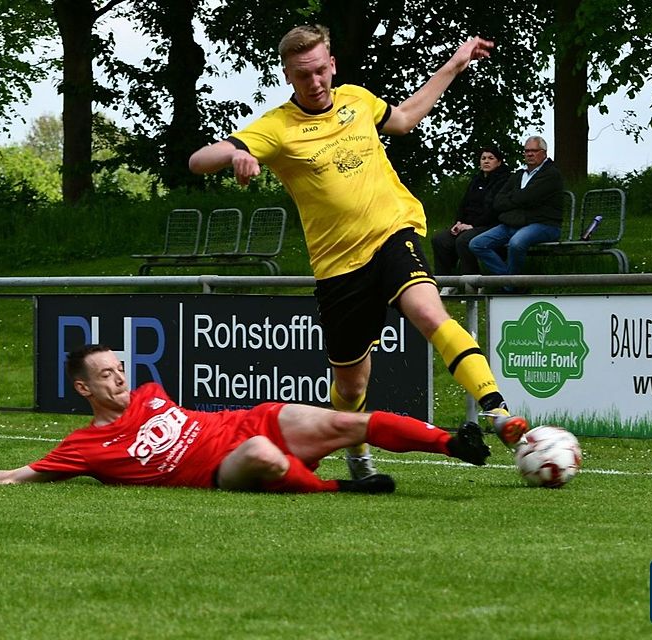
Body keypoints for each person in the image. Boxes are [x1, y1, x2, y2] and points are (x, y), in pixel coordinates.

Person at [188, 25, 528, 480]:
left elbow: (405, 118)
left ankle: (498, 411)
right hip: (337, 267)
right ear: (289, 76)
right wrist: (234, 155)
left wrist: (455, 64)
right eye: (302, 75)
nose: (315, 82)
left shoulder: (357, 99)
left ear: (333, 65)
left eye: (320, 70)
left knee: (429, 313)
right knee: (351, 383)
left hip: (393, 231)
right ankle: (356, 455)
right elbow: (197, 160)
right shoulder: (277, 127)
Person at [0, 345, 492, 493]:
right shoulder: (86, 447)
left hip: (252, 420)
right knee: (265, 460)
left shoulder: (150, 391)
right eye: (105, 375)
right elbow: (18, 476)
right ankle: (337, 487)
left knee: (348, 421)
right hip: (225, 464)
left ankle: (451, 442)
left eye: (119, 369)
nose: (119, 378)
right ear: (84, 388)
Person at [468, 135, 564, 293]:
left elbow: (527, 198)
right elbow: (498, 201)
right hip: (515, 223)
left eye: (534, 151)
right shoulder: (519, 175)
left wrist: (514, 200)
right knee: (477, 243)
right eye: (527, 151)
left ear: (544, 153)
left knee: (516, 243)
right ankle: (512, 282)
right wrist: (517, 200)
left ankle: (509, 286)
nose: (529, 154)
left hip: (544, 225)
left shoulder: (551, 175)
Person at [430, 145, 510, 292]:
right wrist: (458, 223)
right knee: (440, 240)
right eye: (483, 158)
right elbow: (464, 204)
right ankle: (448, 283)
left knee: (464, 240)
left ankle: (473, 283)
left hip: (490, 225)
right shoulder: (476, 180)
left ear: (499, 162)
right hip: (467, 225)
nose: (486, 161)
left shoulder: (504, 181)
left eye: (491, 158)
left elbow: (494, 210)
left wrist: (471, 226)